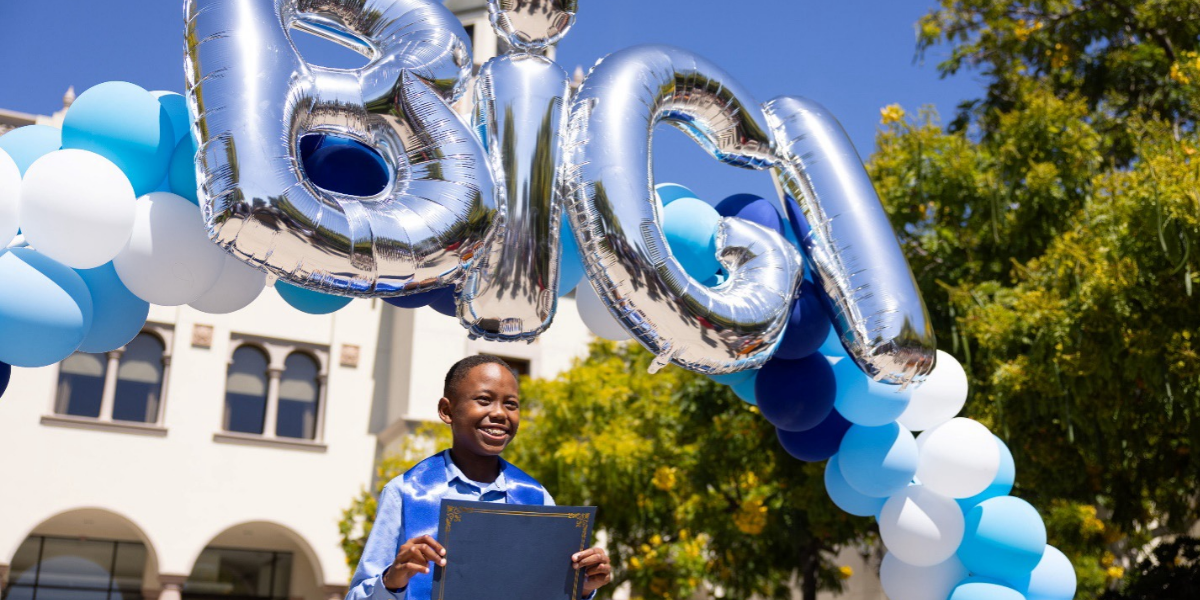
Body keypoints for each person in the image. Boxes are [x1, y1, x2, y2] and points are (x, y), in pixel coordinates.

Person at [346, 354, 613, 600]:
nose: (499, 413)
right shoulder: (407, 492)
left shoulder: (536, 497)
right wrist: (392, 580)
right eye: (484, 400)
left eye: (511, 404)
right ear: (447, 410)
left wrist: (583, 586)